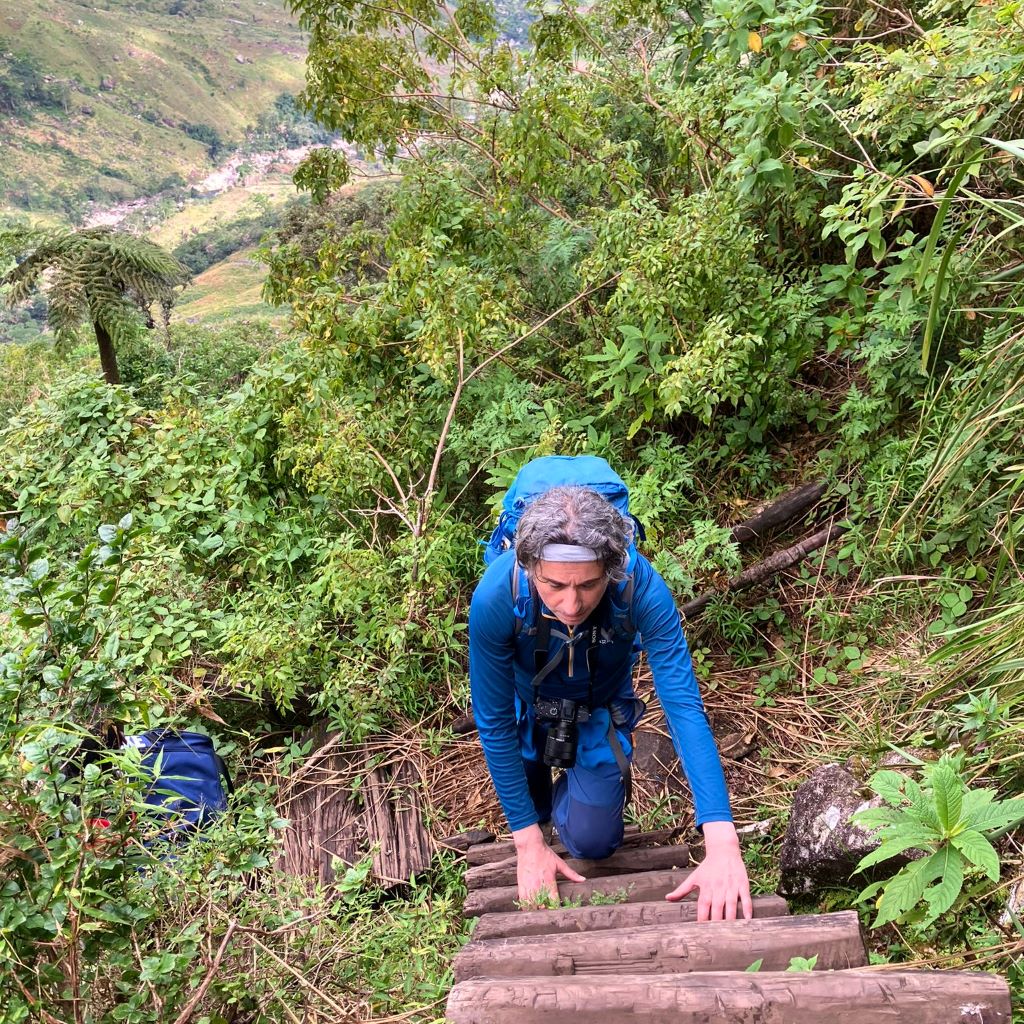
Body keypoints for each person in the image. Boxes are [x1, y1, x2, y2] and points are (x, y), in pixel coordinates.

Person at [469, 483, 751, 920]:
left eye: (589, 584)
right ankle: (541, 804)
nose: (571, 604)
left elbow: (682, 707)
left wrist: (722, 841)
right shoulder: (497, 595)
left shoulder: (640, 588)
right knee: (532, 810)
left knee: (593, 842)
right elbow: (493, 720)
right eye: (554, 585)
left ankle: (575, 788)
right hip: (527, 710)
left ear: (612, 569)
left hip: (595, 712)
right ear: (528, 567)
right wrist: (527, 842)